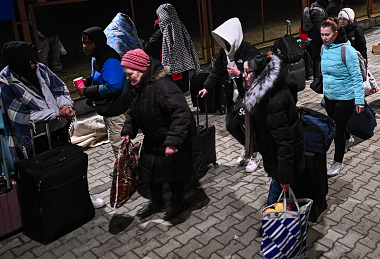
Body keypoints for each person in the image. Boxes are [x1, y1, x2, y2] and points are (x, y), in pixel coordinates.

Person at [0, 41, 105, 208]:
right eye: (30, 59)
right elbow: (21, 116)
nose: (35, 61)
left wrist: (65, 106)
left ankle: (82, 195)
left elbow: (59, 88)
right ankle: (55, 207)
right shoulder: (6, 82)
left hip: (57, 128)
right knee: (47, 172)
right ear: (18, 61)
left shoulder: (40, 69)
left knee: (69, 163)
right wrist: (56, 112)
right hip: (35, 138)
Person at [120, 49, 205, 220]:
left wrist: (173, 141)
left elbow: (181, 113)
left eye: (130, 74)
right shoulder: (138, 85)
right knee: (150, 171)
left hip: (170, 138)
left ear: (142, 69)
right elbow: (133, 110)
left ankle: (178, 202)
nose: (127, 78)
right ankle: (156, 202)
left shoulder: (164, 87)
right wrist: (128, 130)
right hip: (154, 136)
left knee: (173, 174)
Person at [198, 17, 261, 172]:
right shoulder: (224, 52)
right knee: (231, 126)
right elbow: (217, 71)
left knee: (250, 127)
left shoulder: (249, 51)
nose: (225, 44)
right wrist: (207, 87)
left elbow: (258, 75)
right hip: (232, 97)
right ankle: (248, 149)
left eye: (227, 40)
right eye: (223, 40)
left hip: (248, 96)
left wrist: (239, 73)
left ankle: (254, 155)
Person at [243, 54, 305, 205]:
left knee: (274, 202)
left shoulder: (273, 103)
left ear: (259, 74)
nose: (243, 75)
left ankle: (273, 225)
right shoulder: (264, 91)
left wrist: (284, 178)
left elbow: (285, 144)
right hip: (276, 156)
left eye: (247, 72)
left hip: (282, 160)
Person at [320, 18, 364, 177]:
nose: (324, 38)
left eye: (327, 35)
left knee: (336, 130)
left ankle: (337, 162)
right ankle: (348, 138)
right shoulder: (323, 49)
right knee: (335, 124)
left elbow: (357, 77)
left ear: (336, 33)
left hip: (346, 97)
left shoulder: (348, 51)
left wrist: (359, 100)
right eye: (322, 35)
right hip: (330, 96)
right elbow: (325, 73)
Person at [80, 27, 129, 158]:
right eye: (83, 43)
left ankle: (127, 174)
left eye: (89, 43)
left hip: (116, 109)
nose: (85, 46)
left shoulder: (109, 59)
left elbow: (114, 86)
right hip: (111, 109)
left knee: (118, 143)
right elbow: (103, 75)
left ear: (98, 42)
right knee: (118, 143)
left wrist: (87, 91)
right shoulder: (100, 56)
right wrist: (87, 81)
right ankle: (124, 171)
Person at [144, 3, 201, 92]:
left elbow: (149, 48)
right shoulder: (180, 26)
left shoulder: (162, 31)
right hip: (182, 69)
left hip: (166, 70)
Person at [35, 9, 66, 73]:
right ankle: (45, 70)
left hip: (53, 33)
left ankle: (57, 67)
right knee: (44, 54)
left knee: (56, 51)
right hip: (44, 35)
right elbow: (33, 24)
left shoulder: (50, 9)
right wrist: (40, 35)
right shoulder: (35, 11)